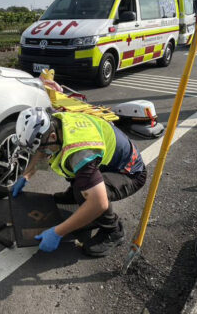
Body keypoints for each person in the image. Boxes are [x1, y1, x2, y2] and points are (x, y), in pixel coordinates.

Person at [12, 107, 147, 257]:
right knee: (80, 184)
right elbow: (42, 150)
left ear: (52, 136)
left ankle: (113, 230)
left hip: (129, 173)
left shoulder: (79, 152)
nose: (42, 153)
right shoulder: (55, 122)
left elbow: (99, 203)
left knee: (86, 195)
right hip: (106, 161)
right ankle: (80, 196)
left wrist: (58, 232)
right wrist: (26, 176)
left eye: (42, 148)